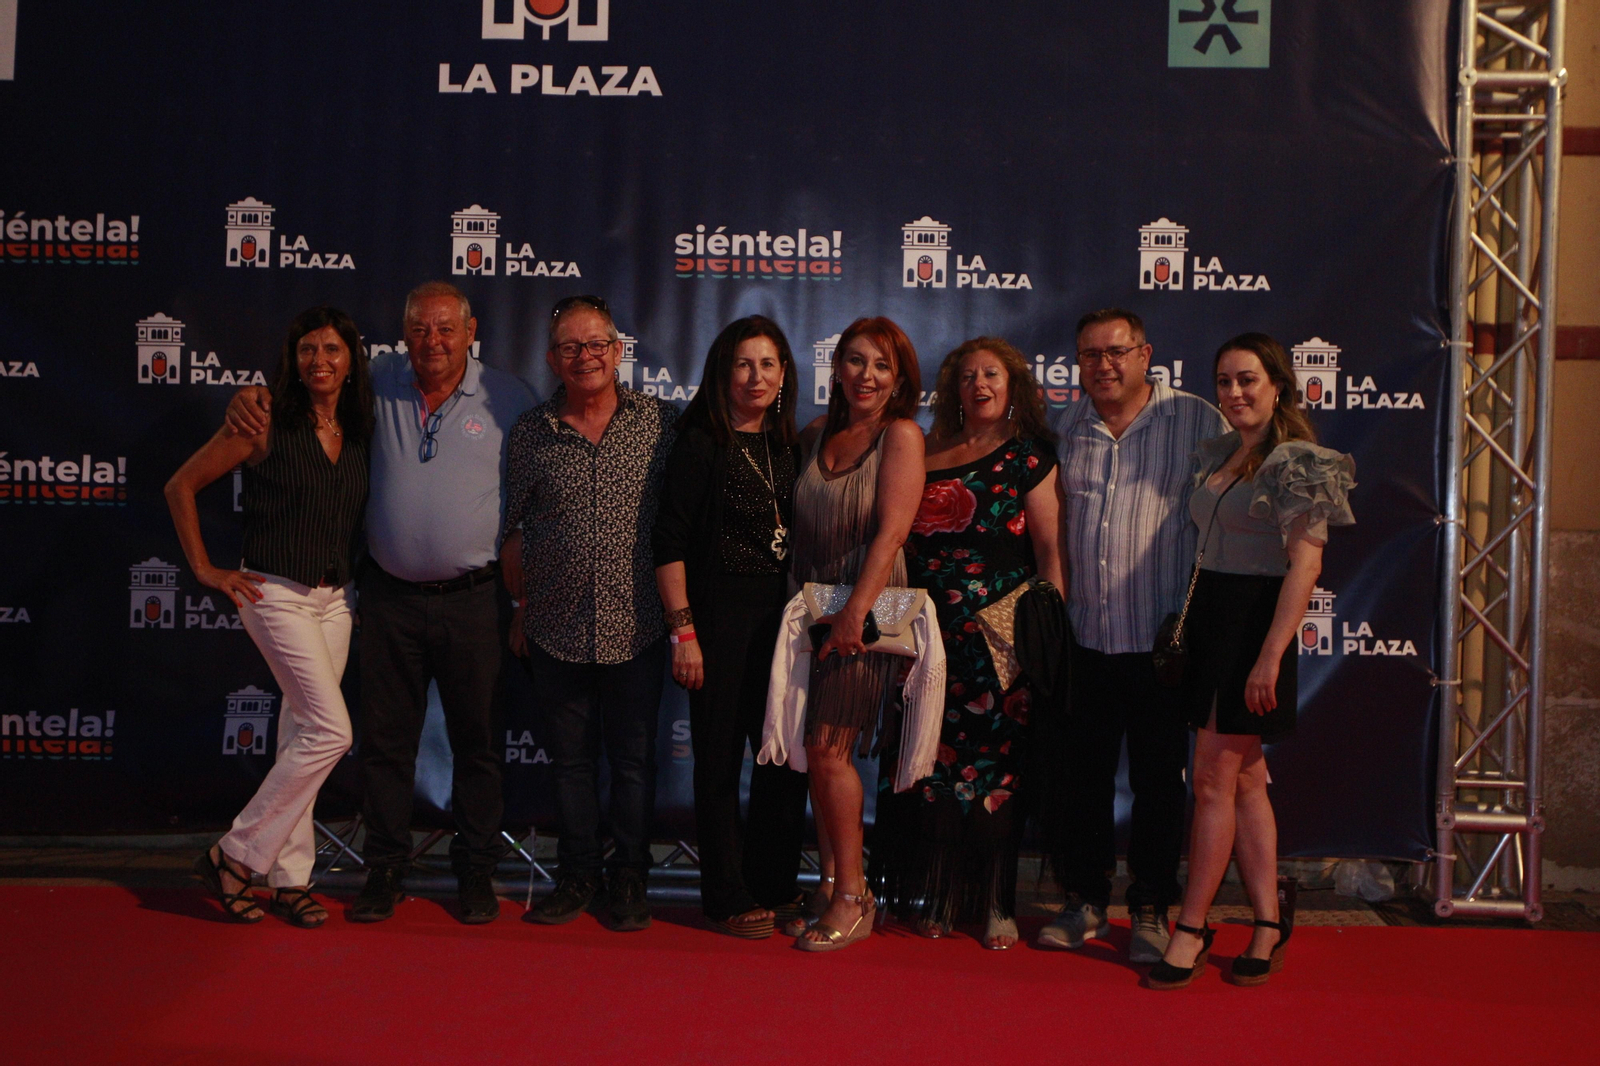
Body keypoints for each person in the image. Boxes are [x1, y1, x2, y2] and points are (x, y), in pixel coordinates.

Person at [227, 281, 536, 925]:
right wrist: (251, 393)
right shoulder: (376, 381)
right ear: (404, 333)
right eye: (420, 329)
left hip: (474, 600)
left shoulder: (509, 397)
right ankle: (385, 870)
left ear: (471, 330)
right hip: (389, 597)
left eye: (446, 329)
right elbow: (310, 377)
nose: (433, 342)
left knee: (477, 743)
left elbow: (535, 495)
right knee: (385, 747)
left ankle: (475, 870)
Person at [1148, 333, 1353, 990]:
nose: (1234, 393)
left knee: (1211, 780)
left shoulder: (1298, 461)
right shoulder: (1224, 453)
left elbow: (1307, 564)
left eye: (1247, 380)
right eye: (1225, 382)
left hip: (1252, 625)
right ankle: (1268, 920)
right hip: (1209, 619)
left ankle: (1191, 926)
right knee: (1243, 780)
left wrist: (1269, 656)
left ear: (1277, 385)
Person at [168, 306, 373, 927]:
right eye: (308, 349)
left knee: (300, 737)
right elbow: (181, 486)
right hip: (274, 594)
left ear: (350, 360)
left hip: (336, 602)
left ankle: (291, 880)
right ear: (292, 359)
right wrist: (205, 570)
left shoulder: (360, 429)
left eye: (332, 350)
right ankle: (234, 855)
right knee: (332, 732)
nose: (320, 361)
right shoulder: (261, 421)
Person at [1041, 308, 1228, 962]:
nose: (1103, 365)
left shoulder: (1201, 423)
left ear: (1145, 353)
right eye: (1090, 354)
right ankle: (1086, 899)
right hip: (1086, 640)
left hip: (1162, 647)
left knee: (1158, 783)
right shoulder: (1067, 426)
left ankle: (1151, 905)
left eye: (1116, 352)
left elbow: (1232, 524)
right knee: (1082, 781)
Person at [875, 337, 1065, 950]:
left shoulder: (1029, 458)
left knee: (996, 773)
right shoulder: (924, 452)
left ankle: (997, 904)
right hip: (926, 640)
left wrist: (1042, 636)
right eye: (967, 376)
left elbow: (1050, 556)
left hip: (999, 644)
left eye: (992, 374)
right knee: (927, 765)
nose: (979, 384)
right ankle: (941, 894)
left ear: (1014, 386)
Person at [506, 295, 680, 933]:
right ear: (552, 359)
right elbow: (515, 530)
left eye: (597, 345)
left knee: (634, 761)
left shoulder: (662, 424)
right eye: (571, 347)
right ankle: (578, 874)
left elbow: (680, 526)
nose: (585, 357)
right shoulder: (530, 432)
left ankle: (630, 875)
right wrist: (522, 606)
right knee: (570, 762)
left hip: (637, 625)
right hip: (555, 626)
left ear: (618, 350)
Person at [652, 315, 812, 938]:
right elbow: (668, 544)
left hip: (783, 624)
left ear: (784, 375)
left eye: (768, 364)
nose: (756, 377)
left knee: (781, 760)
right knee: (718, 761)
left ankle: (774, 884)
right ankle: (725, 895)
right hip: (717, 621)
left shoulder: (791, 445)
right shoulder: (701, 442)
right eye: (744, 364)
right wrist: (682, 631)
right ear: (723, 371)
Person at [786, 316, 925, 952]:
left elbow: (892, 532)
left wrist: (854, 615)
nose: (866, 376)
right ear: (837, 367)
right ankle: (831, 882)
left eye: (881, 366)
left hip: (865, 616)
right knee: (816, 754)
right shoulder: (816, 433)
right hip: (813, 612)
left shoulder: (900, 436)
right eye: (855, 361)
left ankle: (853, 894)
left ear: (898, 380)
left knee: (829, 749)